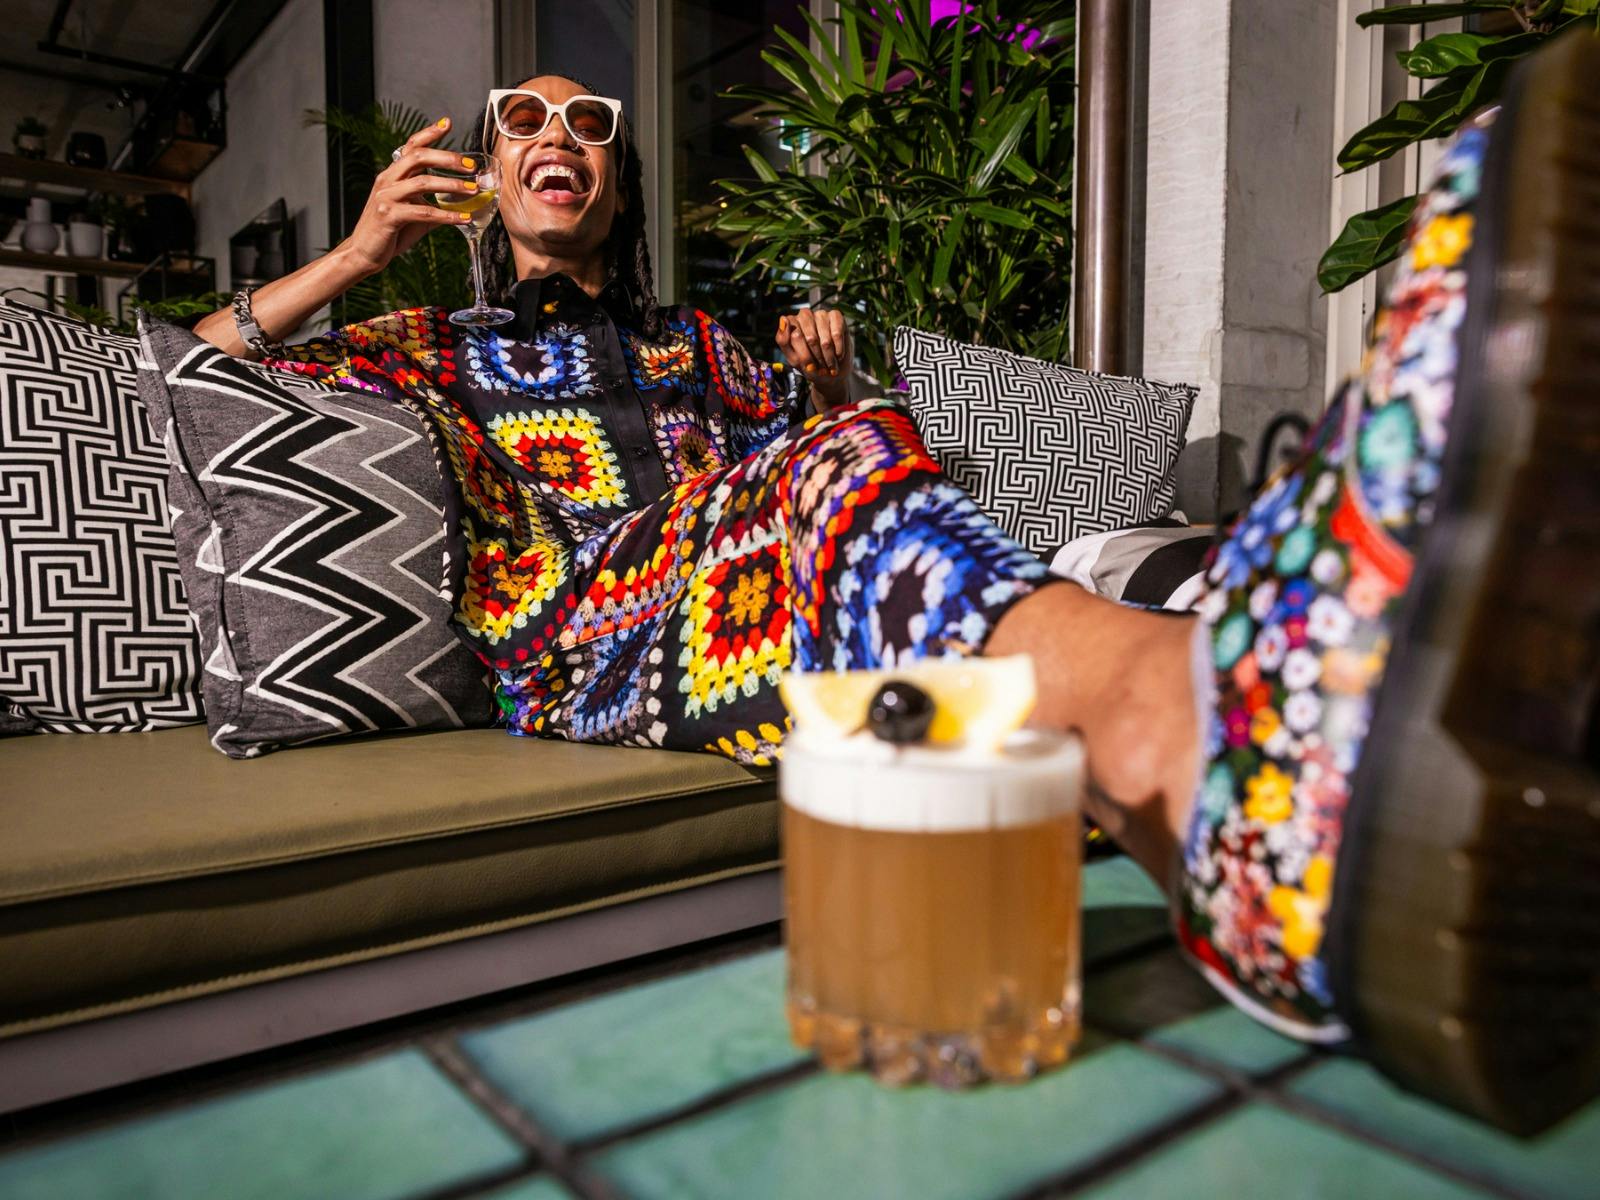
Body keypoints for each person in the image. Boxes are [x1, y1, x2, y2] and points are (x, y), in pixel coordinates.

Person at [195, 38, 1599, 1133]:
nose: (560, 134)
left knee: (866, 455)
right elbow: (204, 370)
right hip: (575, 640)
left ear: (617, 182)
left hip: (741, 615)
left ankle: (1261, 806)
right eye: (526, 118)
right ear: (490, 175)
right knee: (842, 465)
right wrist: (357, 256)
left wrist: (831, 395)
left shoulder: (705, 350)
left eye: (592, 124)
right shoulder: (428, 341)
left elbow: (878, 503)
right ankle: (1231, 738)